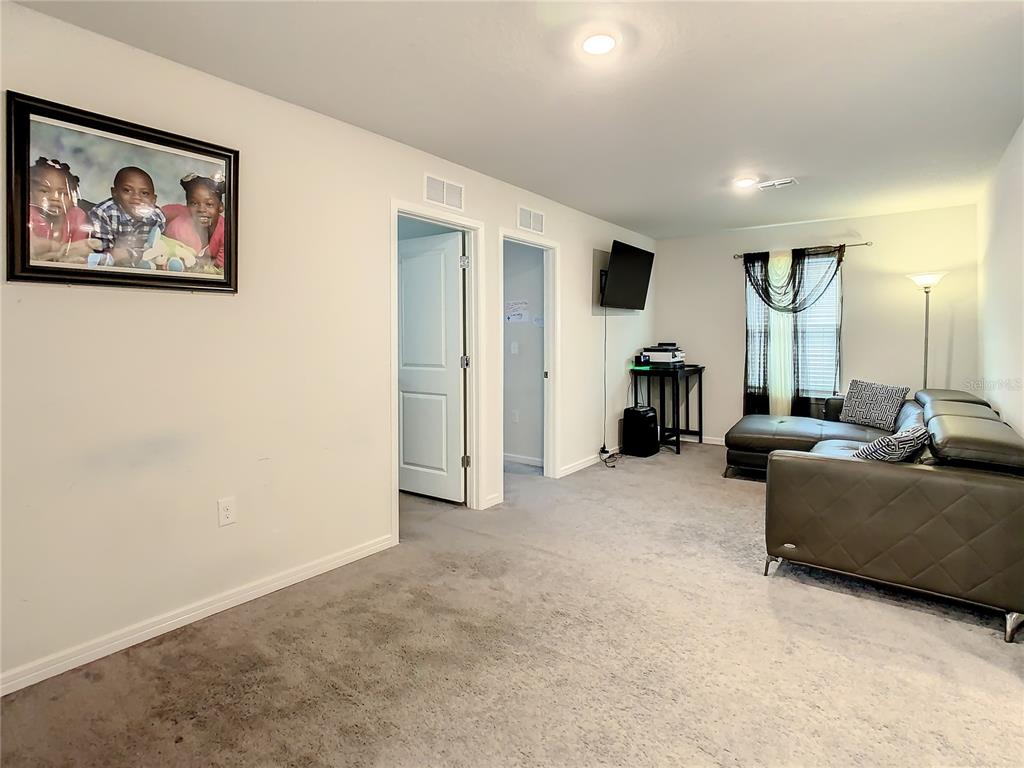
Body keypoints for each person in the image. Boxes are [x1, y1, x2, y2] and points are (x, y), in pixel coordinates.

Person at [87, 166, 166, 267]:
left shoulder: (157, 217)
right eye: (127, 190)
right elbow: (102, 253)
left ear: (153, 200)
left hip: (144, 266)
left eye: (144, 193)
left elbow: (158, 245)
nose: (136, 197)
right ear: (114, 192)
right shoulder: (103, 213)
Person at [27, 157, 99, 263]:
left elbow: (79, 247)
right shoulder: (28, 213)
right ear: (30, 193)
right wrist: (56, 247)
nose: (55, 198)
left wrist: (71, 251)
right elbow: (30, 245)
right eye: (44, 191)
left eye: (63, 193)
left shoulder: (76, 215)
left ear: (72, 197)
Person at [162, 173, 226, 269]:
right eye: (194, 203)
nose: (201, 209)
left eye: (209, 204)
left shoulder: (225, 232)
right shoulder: (181, 213)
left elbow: (218, 266)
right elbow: (158, 213)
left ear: (220, 207)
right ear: (187, 204)